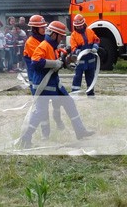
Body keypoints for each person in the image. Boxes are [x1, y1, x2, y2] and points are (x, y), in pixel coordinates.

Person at [18, 21, 94, 149]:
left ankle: (80, 131)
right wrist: (54, 64)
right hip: (43, 85)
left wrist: (66, 63)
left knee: (69, 102)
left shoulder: (52, 46)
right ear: (54, 35)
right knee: (40, 113)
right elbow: (35, 62)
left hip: (53, 83)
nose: (62, 39)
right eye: (61, 36)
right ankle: (25, 138)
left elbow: (59, 60)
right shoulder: (44, 45)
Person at [69, 14, 99, 97]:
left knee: (90, 78)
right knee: (77, 78)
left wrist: (95, 46)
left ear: (83, 24)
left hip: (90, 61)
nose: (79, 27)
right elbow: (73, 48)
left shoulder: (90, 31)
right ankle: (75, 94)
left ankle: (91, 94)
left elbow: (96, 40)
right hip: (80, 62)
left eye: (80, 26)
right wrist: (77, 51)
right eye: (77, 26)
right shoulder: (73, 35)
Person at [22, 15, 47, 94]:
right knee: (35, 86)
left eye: (44, 27)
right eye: (42, 27)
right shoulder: (31, 42)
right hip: (34, 67)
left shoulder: (44, 38)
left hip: (42, 66)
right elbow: (39, 56)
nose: (44, 29)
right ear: (35, 29)